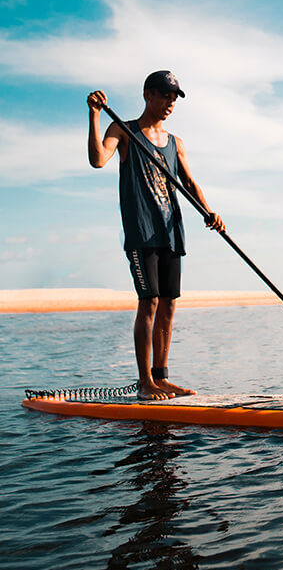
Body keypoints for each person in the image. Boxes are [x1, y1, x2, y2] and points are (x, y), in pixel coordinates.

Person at [87, 70, 224, 401]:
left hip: (171, 230)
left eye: (175, 97)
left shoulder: (176, 143)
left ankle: (162, 378)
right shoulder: (124, 129)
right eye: (165, 95)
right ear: (148, 94)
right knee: (148, 302)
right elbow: (97, 160)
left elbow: (189, 182)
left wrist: (210, 212)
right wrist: (94, 115)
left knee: (168, 305)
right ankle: (145, 381)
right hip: (141, 232)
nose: (170, 103)